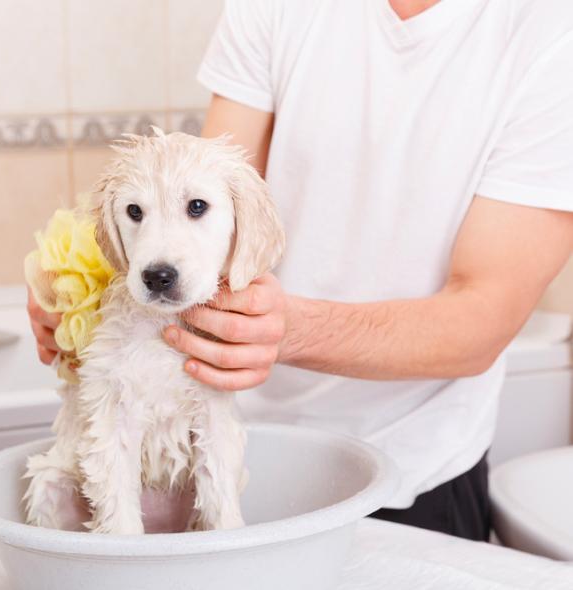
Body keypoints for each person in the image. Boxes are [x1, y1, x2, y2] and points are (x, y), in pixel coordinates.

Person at [28, 0, 573, 541]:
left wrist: (292, 331)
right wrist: (78, 285)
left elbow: (482, 321)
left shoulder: (549, 35)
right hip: (236, 447)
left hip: (415, 464)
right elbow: (208, 195)